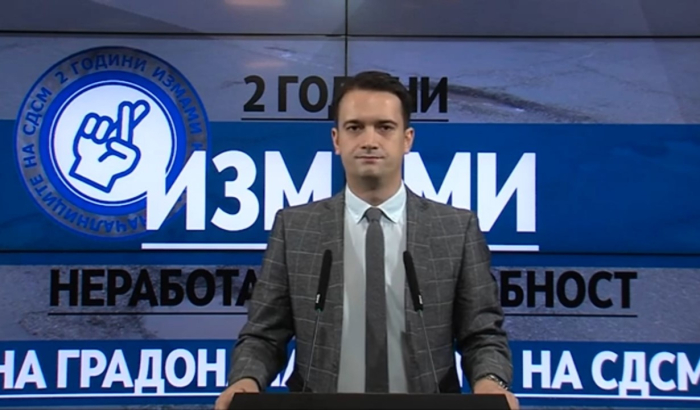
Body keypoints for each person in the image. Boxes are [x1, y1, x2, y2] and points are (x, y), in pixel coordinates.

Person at [215, 71, 518, 410]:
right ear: (336, 139)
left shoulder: (456, 229)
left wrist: (490, 381)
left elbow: (482, 335)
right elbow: (263, 335)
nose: (369, 140)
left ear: (407, 139)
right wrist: (246, 380)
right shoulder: (295, 228)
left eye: (385, 127)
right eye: (355, 127)